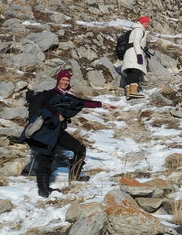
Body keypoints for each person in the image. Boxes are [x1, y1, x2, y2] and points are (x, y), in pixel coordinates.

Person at [23, 69, 117, 197]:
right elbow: (44, 106)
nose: (65, 82)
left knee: (80, 149)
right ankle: (43, 189)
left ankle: (75, 176)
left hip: (59, 132)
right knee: (45, 158)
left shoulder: (68, 97)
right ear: (58, 80)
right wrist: (57, 115)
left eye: (67, 80)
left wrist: (102, 104)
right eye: (63, 79)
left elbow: (83, 102)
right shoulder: (49, 94)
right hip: (47, 131)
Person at [123, 16, 151, 99]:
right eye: (146, 24)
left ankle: (129, 92)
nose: (147, 26)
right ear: (142, 23)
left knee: (130, 72)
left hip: (129, 53)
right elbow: (136, 42)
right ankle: (134, 91)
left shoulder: (135, 30)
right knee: (136, 71)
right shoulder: (139, 30)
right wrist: (139, 55)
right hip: (134, 53)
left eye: (148, 24)